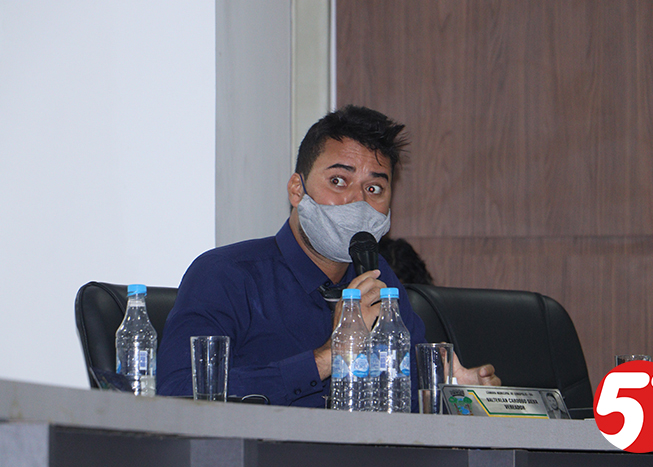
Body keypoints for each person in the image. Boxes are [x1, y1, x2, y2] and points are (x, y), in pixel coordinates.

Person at [157, 105, 500, 411]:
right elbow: (178, 392)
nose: (358, 201)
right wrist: (329, 357)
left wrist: (452, 393)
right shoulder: (225, 275)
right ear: (297, 190)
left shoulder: (381, 281)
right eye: (338, 181)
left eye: (374, 188)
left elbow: (403, 404)